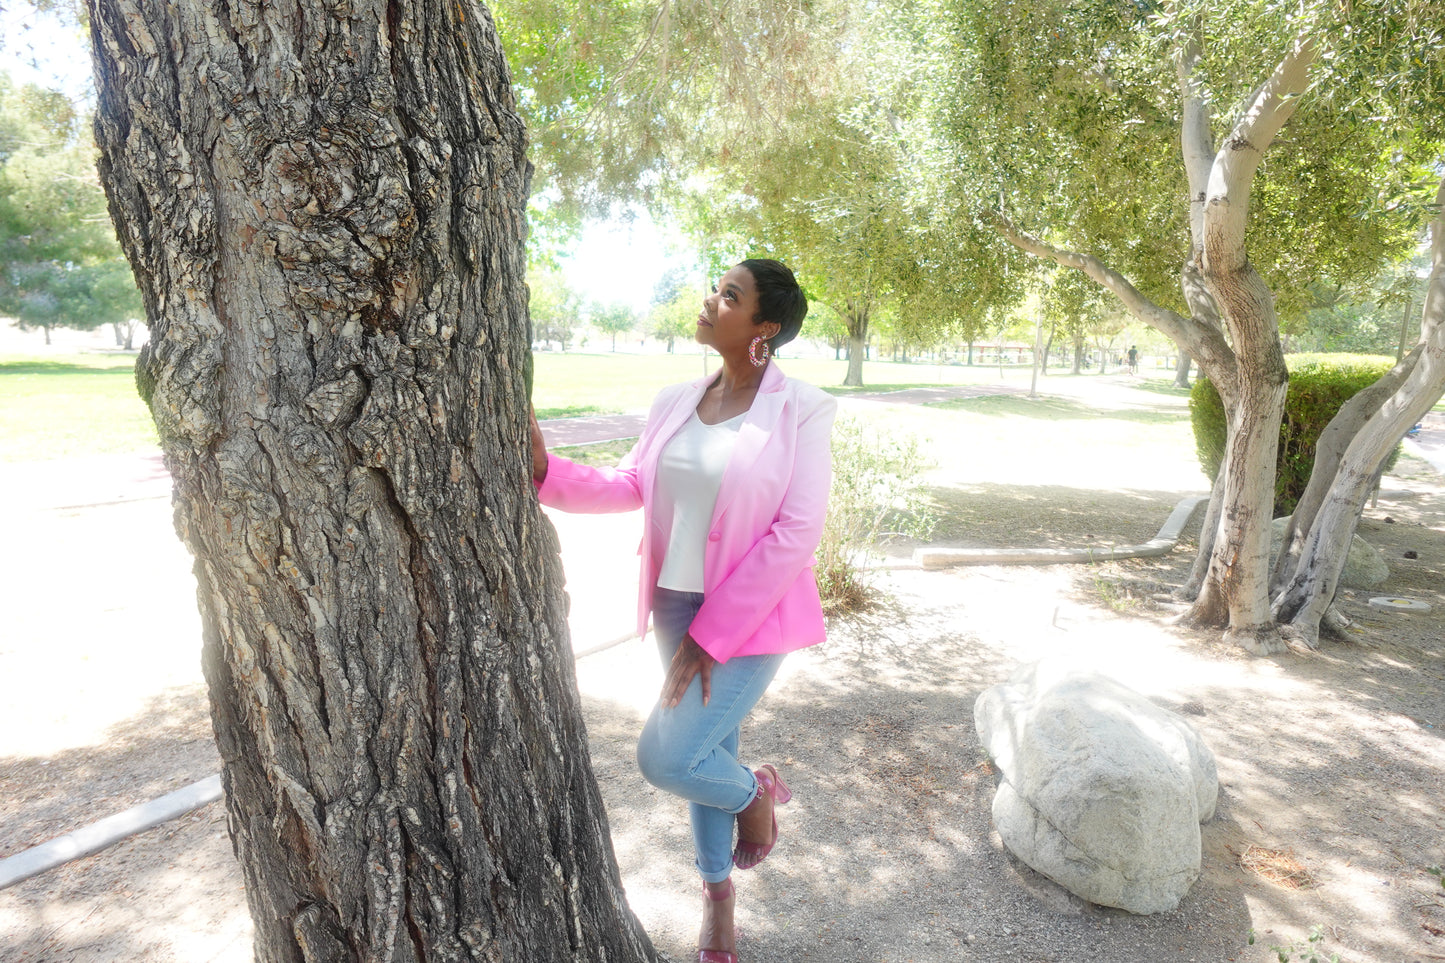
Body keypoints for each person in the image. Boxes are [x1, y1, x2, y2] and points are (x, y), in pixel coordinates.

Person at [528, 258, 837, 963]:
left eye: (730, 295)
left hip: (751, 620)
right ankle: (718, 899)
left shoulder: (803, 409)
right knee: (707, 749)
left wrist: (713, 633)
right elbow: (631, 480)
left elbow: (796, 531)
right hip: (672, 604)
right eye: (715, 287)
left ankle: (753, 794)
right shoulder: (673, 398)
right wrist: (547, 472)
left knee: (669, 754)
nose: (710, 299)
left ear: (765, 328)